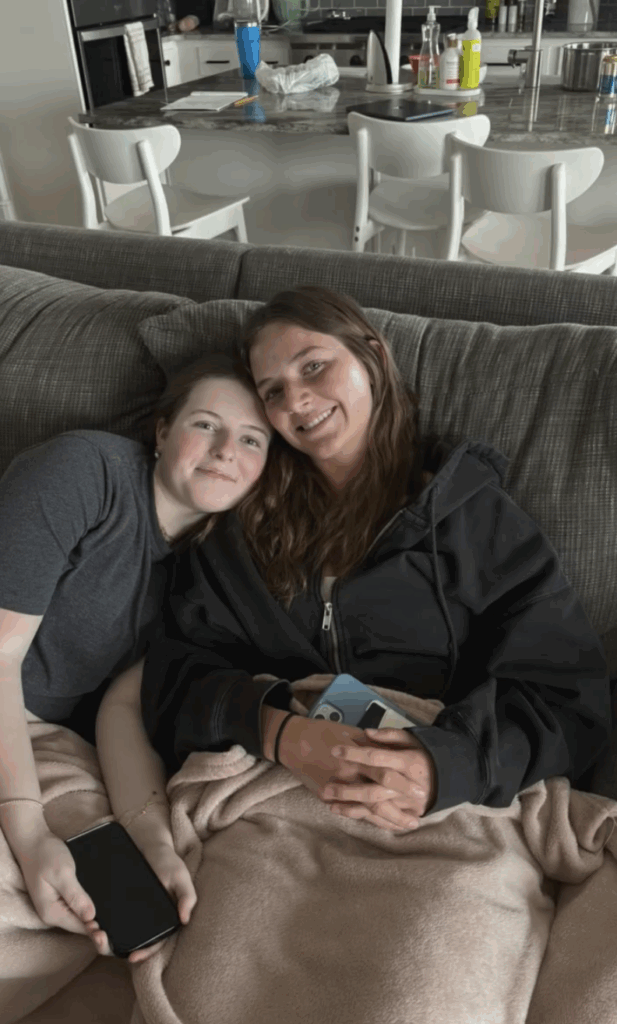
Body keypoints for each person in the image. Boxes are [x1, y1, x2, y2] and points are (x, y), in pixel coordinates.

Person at [93, 284, 611, 959]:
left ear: (372, 355)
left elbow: (567, 700)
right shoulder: (242, 522)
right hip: (275, 794)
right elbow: (175, 676)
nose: (296, 400)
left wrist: (445, 767)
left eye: (313, 366)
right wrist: (281, 733)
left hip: (440, 810)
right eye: (272, 391)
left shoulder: (473, 519)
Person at [0, 351, 273, 958]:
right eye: (206, 424)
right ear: (162, 431)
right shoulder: (84, 472)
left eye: (251, 439)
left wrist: (151, 834)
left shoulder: (215, 570)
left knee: (98, 916)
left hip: (49, 742)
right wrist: (27, 829)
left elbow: (123, 708)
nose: (226, 450)